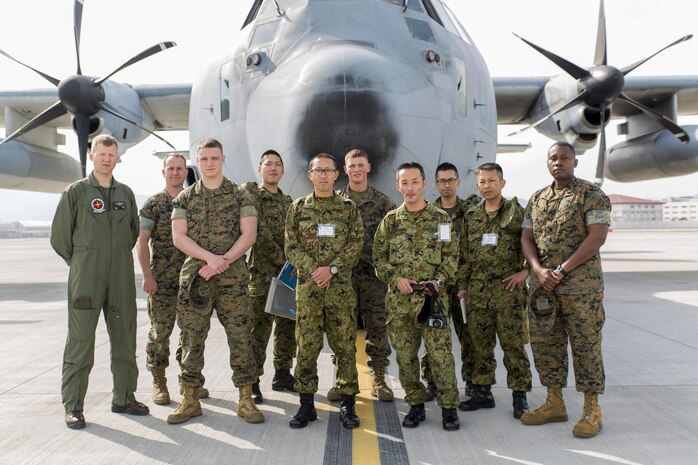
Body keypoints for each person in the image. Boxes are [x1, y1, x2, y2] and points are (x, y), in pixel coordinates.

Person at [51, 134, 149, 429]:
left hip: (120, 275)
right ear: (91, 156)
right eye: (101, 153)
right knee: (80, 341)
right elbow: (60, 238)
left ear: (118, 158)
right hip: (86, 277)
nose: (107, 158)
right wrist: (83, 260)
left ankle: (123, 397)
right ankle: (74, 406)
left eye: (112, 154)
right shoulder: (76, 192)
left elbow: (133, 232)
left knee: (124, 337)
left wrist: (111, 256)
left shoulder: (126, 194)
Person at [167, 138, 264, 425]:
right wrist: (210, 259)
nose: (209, 163)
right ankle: (190, 398)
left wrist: (223, 261)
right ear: (198, 161)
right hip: (196, 278)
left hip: (232, 279)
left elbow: (249, 235)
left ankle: (245, 399)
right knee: (191, 339)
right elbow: (178, 237)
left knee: (240, 338)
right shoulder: (184, 198)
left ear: (223, 159)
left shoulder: (240, 196)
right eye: (204, 159)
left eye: (214, 158)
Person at [520, 142, 611, 438]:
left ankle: (591, 409)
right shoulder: (537, 198)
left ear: (574, 162)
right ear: (547, 163)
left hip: (580, 289)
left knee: (585, 346)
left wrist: (562, 270)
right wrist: (537, 269)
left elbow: (596, 237)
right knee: (546, 346)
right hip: (544, 288)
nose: (558, 162)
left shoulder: (591, 194)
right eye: (553, 158)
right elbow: (527, 237)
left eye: (564, 158)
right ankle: (554, 402)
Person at [373, 162, 461, 431]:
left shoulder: (440, 220)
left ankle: (449, 409)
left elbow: (451, 258)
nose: (409, 188)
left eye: (414, 182)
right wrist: (396, 279)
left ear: (424, 184)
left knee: (440, 356)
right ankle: (415, 405)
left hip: (431, 302)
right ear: (397, 186)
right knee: (406, 357)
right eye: (404, 183)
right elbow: (378, 259)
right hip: (400, 304)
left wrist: (439, 281)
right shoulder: (390, 222)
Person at [284, 153, 364, 429]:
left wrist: (331, 269)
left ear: (336, 175)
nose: (323, 175)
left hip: (340, 289)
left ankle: (348, 405)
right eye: (318, 171)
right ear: (310, 175)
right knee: (306, 347)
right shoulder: (297, 208)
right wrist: (314, 270)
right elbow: (291, 246)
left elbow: (356, 243)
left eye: (328, 171)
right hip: (309, 290)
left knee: (344, 347)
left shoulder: (349, 208)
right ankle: (306, 406)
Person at [456, 162, 532, 418]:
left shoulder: (516, 212)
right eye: (482, 182)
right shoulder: (472, 216)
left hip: (507, 293)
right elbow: (464, 255)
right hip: (478, 295)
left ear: (502, 183)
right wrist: (463, 287)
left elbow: (535, 246)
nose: (486, 186)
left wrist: (526, 272)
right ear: (476, 184)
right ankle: (483, 392)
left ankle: (519, 396)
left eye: (491, 181)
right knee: (480, 346)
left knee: (513, 347)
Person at [136, 154, 210, 405]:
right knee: (160, 333)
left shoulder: (194, 202)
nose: (176, 173)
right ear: (163, 172)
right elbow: (142, 242)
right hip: (162, 281)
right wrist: (147, 275)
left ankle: (189, 382)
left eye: (180, 169)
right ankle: (159, 382)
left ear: (186, 172)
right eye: (171, 168)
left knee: (192, 334)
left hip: (191, 280)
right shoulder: (154, 204)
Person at [334, 148, 396, 402]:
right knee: (342, 328)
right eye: (352, 165)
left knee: (378, 327)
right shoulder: (336, 201)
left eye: (361, 165)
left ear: (368, 167)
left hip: (374, 277)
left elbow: (393, 239)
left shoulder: (383, 203)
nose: (357, 169)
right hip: (344, 277)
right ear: (345, 169)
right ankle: (342, 380)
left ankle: (379, 379)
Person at [421, 162, 479, 402]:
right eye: (442, 181)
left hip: (464, 286)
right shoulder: (428, 214)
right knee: (434, 338)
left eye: (450, 180)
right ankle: (433, 382)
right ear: (436, 184)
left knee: (469, 337)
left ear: (458, 182)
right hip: (439, 287)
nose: (446, 185)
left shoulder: (471, 212)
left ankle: (473, 383)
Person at [243, 150, 296, 403]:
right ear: (260, 168)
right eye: (268, 164)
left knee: (287, 326)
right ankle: (253, 381)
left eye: (277, 164)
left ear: (283, 170)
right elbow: (258, 231)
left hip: (287, 275)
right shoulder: (252, 195)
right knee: (259, 329)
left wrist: (292, 263)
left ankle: (283, 374)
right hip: (262, 275)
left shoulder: (289, 203)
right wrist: (283, 259)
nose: (273, 168)